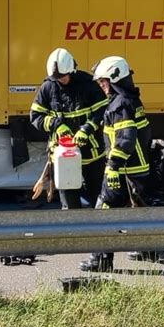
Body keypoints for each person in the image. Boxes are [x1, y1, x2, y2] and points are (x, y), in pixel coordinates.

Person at [80, 56, 151, 272]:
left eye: (103, 81)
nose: (101, 86)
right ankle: (147, 248)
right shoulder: (128, 100)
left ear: (115, 78)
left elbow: (125, 138)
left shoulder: (120, 104)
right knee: (139, 210)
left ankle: (100, 260)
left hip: (122, 170)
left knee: (104, 211)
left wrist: (113, 166)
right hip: (136, 170)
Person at [30, 48, 108, 209]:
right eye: (57, 78)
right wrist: (56, 125)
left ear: (72, 70)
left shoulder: (88, 84)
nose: (60, 80)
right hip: (63, 156)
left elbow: (103, 111)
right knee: (69, 205)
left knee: (98, 200)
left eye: (63, 76)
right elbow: (36, 116)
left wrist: (87, 129)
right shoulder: (48, 88)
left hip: (91, 154)